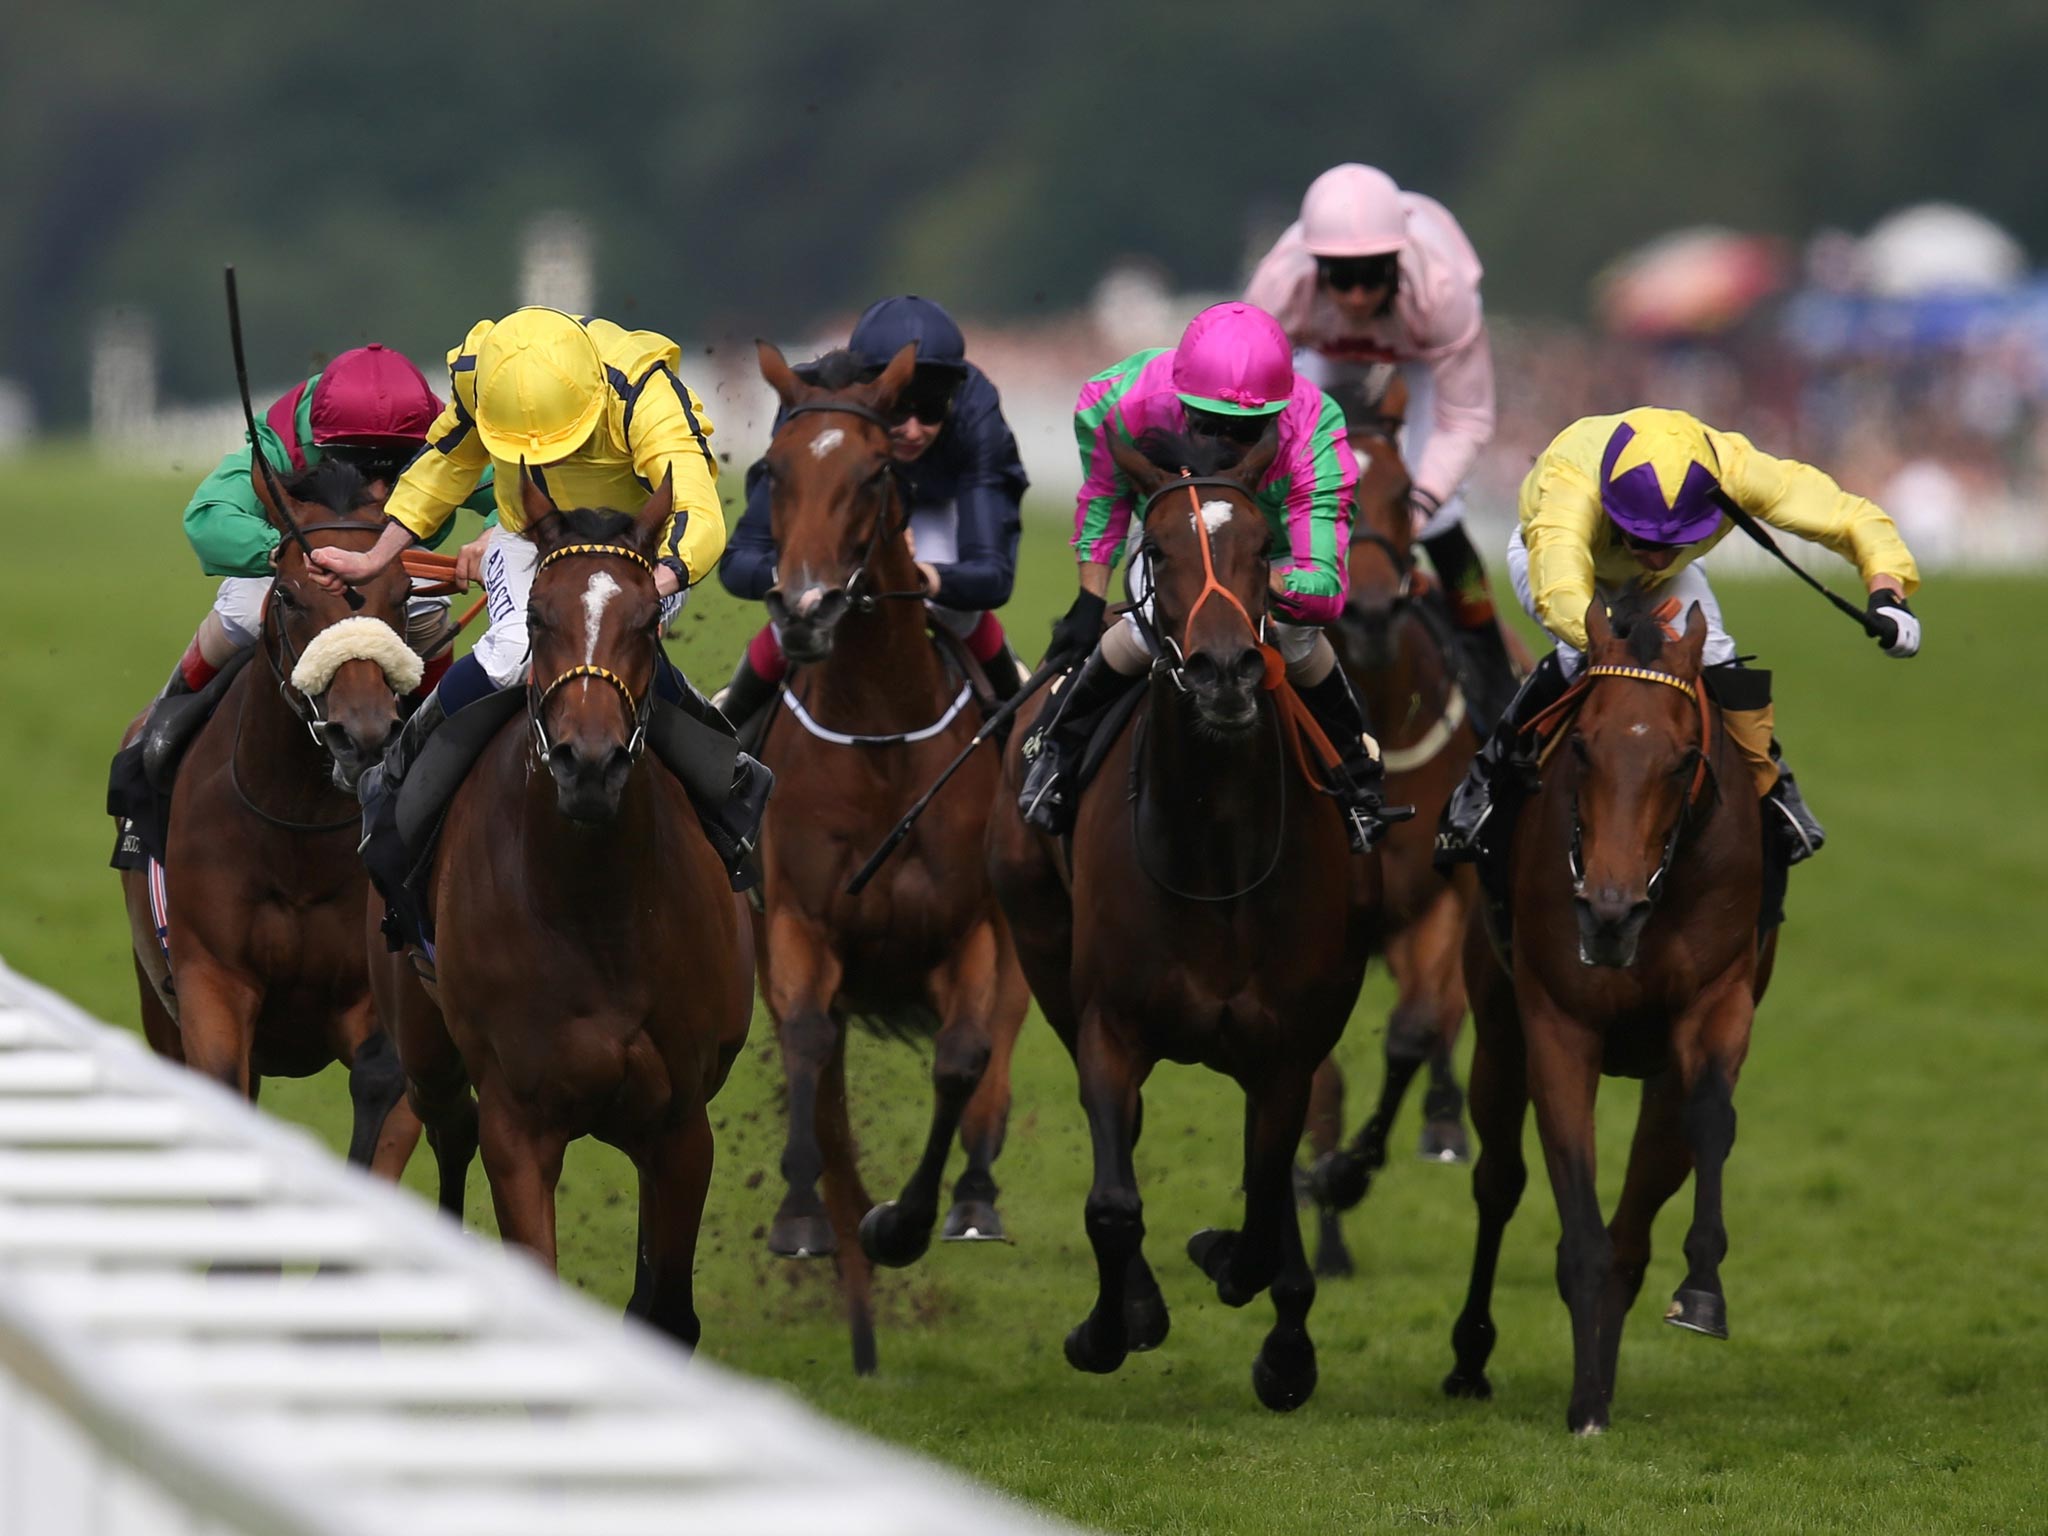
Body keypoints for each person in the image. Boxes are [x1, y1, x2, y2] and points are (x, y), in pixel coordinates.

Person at [305, 306, 766, 883]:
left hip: (637, 547)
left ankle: (733, 786)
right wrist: (374, 558)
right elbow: (446, 464)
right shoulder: (483, 377)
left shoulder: (641, 387)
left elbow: (695, 506)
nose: (545, 458)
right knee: (509, 652)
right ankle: (394, 780)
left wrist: (652, 584)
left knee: (617, 643)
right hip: (532, 535)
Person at [1436, 406, 1922, 920]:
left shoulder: (1733, 468)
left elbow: (1848, 515)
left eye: (1673, 542)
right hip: (1566, 564)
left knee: (1718, 655)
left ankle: (1772, 785)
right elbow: (1562, 591)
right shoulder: (1569, 482)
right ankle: (1486, 779)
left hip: (1658, 589)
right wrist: (1619, 636)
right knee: (1582, 656)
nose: (1655, 556)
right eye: (1642, 539)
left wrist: (1888, 590)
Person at [1017, 301, 1391, 853]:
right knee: (1149, 625)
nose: (1225, 445)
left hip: (1270, 554)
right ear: (1178, 396)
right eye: (1211, 426)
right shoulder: (1120, 401)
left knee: (1293, 636)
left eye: (1247, 431)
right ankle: (1058, 752)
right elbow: (1105, 498)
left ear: (1279, 414)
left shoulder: (1316, 432)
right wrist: (1087, 598)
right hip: (1180, 537)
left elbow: (1325, 588)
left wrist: (1249, 591)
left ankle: (1355, 775)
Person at [1245, 163, 1518, 731]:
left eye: (1374, 274)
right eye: (1341, 278)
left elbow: (1465, 419)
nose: (1359, 294)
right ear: (1314, 268)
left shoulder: (1442, 293)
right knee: (1292, 497)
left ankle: (1492, 677)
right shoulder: (1279, 289)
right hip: (1319, 352)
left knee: (1444, 519)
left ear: (1400, 261)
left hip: (1418, 353)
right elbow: (1252, 403)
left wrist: (1417, 507)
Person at [717, 295, 1029, 727]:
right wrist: (796, 578)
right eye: (899, 409)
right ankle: (728, 728)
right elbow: (739, 562)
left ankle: (1028, 738)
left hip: (938, 510)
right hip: (856, 504)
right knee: (799, 607)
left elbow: (992, 576)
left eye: (933, 408)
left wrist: (923, 575)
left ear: (954, 397)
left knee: (958, 609)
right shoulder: (811, 406)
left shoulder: (977, 414)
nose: (915, 430)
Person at [157, 344, 495, 713]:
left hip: (393, 563)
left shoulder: (441, 435)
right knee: (242, 611)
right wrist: (284, 550)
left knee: (428, 607)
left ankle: (432, 728)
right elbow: (209, 516)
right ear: (323, 445)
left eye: (395, 468)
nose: (380, 490)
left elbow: (516, 494)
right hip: (292, 567)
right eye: (361, 469)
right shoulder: (282, 439)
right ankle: (164, 724)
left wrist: (491, 537)